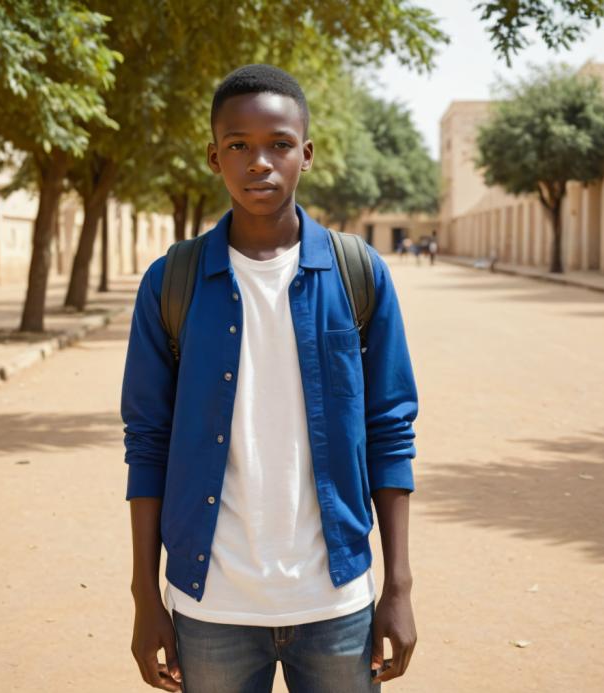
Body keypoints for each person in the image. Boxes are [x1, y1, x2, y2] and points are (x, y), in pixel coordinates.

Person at [121, 64, 419, 693]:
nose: (260, 162)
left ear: (305, 154)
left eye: (279, 144)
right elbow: (147, 442)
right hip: (212, 608)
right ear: (214, 156)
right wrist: (145, 597)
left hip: (336, 602)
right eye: (239, 145)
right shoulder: (170, 284)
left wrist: (398, 587)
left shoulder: (357, 275)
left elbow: (390, 431)